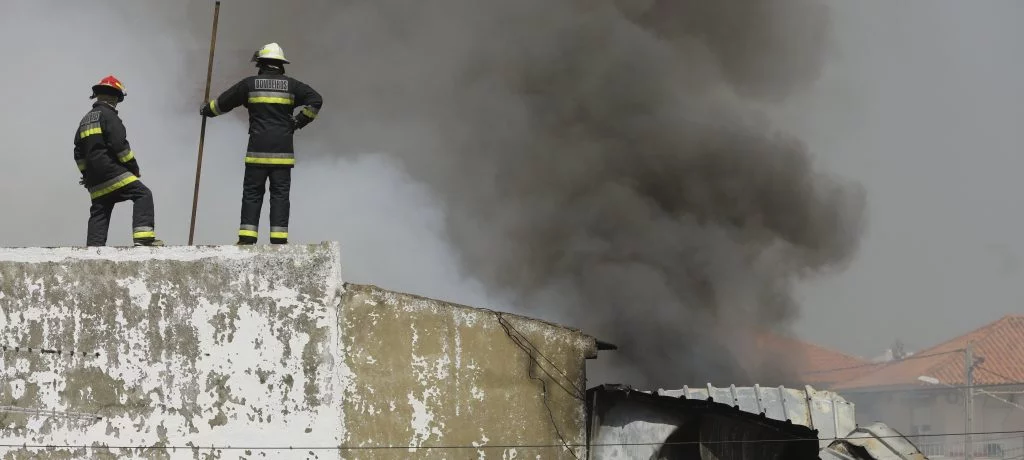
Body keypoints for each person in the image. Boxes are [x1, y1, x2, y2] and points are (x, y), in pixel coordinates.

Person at [200, 42, 323, 245]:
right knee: (280, 196)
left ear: (261, 64)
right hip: (283, 154)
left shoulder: (249, 85)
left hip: (257, 152)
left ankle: (247, 238)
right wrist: (299, 122)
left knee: (252, 194)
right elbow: (316, 100)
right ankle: (279, 240)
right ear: (281, 65)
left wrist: (207, 110)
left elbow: (223, 103)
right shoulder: (293, 86)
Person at [74, 75, 164, 247]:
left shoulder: (84, 120)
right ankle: (143, 238)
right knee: (143, 194)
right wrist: (133, 168)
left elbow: (78, 153)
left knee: (100, 209)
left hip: (95, 179)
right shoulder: (109, 116)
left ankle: (94, 248)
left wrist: (86, 175)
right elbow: (120, 147)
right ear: (115, 97)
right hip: (111, 171)